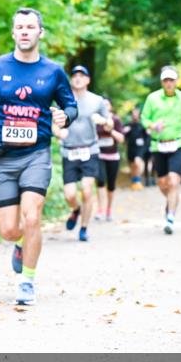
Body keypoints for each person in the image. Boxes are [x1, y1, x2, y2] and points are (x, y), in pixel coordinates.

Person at [0, 7, 78, 306]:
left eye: (31, 27)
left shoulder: (53, 71)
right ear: (14, 33)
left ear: (40, 32)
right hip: (2, 158)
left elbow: (71, 106)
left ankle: (26, 281)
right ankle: (18, 244)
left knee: (32, 217)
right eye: (20, 27)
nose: (25, 31)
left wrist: (63, 117)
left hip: (36, 155)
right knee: (8, 229)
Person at [52, 65, 109, 243]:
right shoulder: (62, 100)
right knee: (69, 194)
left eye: (81, 75)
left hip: (89, 151)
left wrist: (104, 121)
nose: (78, 78)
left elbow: (109, 125)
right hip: (69, 152)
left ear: (87, 80)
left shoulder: (97, 101)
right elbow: (53, 123)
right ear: (71, 80)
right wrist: (58, 132)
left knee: (86, 190)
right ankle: (75, 210)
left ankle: (83, 228)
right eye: (74, 75)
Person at [140, 66, 181, 235]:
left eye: (172, 80)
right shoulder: (152, 98)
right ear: (162, 82)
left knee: (174, 180)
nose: (169, 83)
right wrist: (152, 125)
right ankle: (172, 200)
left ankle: (170, 217)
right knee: (163, 183)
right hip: (158, 144)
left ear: (176, 81)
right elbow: (144, 118)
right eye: (166, 80)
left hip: (177, 144)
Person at [94, 97, 125, 221]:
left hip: (113, 157)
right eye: (103, 105)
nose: (105, 107)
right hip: (99, 156)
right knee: (101, 182)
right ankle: (100, 210)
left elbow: (121, 139)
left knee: (111, 185)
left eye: (107, 104)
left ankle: (109, 210)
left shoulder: (116, 120)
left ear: (111, 107)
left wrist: (110, 130)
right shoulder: (95, 120)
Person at [124, 107, 150, 190]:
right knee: (132, 166)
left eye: (136, 114)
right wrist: (124, 131)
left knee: (137, 162)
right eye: (133, 114)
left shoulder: (142, 125)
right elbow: (123, 137)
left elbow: (147, 136)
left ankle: (138, 181)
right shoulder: (127, 125)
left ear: (139, 115)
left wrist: (146, 146)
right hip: (130, 148)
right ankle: (135, 182)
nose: (135, 115)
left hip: (140, 148)